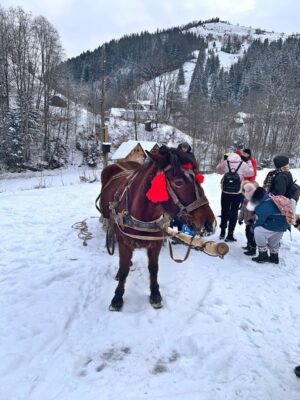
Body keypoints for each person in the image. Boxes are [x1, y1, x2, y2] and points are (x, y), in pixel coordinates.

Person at [216, 152, 254, 241]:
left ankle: (222, 233)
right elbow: (251, 173)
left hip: (225, 192)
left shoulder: (226, 162)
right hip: (237, 192)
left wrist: (223, 160)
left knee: (224, 211)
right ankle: (230, 235)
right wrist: (249, 162)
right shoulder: (243, 164)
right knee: (233, 213)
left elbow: (218, 170)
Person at [247, 187, 290, 264]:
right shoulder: (270, 198)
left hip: (275, 224)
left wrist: (252, 227)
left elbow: (260, 220)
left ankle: (263, 255)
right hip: (284, 224)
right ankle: (274, 257)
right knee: (274, 239)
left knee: (258, 230)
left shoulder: (263, 205)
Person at [238, 181, 259, 255]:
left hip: (252, 221)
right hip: (247, 220)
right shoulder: (245, 199)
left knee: (251, 235)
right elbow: (243, 210)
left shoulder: (255, 200)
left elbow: (257, 212)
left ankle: (253, 249)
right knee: (247, 233)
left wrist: (253, 219)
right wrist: (240, 219)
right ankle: (249, 245)